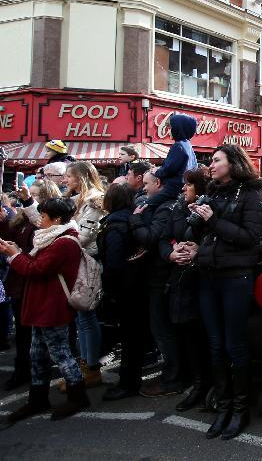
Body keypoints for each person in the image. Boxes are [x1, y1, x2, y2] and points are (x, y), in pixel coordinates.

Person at [183, 145, 262, 440]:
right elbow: (199, 234)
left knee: (235, 345)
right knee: (216, 345)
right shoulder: (213, 192)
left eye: (217, 160)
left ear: (233, 163)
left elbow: (250, 238)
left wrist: (213, 221)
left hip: (235, 278)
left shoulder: (251, 194)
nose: (212, 164)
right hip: (209, 276)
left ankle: (240, 410)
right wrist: (195, 221)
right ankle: (223, 406)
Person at [0, 198, 89, 425]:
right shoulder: (52, 237)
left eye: (44, 216)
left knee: (61, 353)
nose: (40, 219)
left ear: (57, 219)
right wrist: (16, 251)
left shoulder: (64, 242)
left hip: (52, 306)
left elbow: (36, 269)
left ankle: (78, 397)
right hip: (42, 305)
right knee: (37, 353)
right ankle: (38, 398)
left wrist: (14, 255)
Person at [159, 167, 212, 412]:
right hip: (179, 278)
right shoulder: (179, 207)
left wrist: (197, 251)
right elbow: (164, 237)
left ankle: (206, 384)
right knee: (187, 335)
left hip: (201, 279)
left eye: (188, 185)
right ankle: (196, 382)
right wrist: (171, 253)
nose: (183, 188)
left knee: (203, 337)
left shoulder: (208, 208)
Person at [0, 180, 61, 391]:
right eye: (28, 195)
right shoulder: (21, 218)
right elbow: (9, 236)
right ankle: (26, 371)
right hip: (19, 279)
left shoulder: (46, 223)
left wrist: (18, 254)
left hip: (33, 280)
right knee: (24, 332)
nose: (28, 198)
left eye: (35, 195)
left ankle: (36, 375)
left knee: (36, 334)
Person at [131, 170, 183, 398]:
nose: (144, 188)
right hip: (161, 274)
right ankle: (173, 374)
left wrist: (135, 221)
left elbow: (153, 238)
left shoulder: (165, 207)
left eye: (147, 183)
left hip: (161, 277)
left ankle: (173, 377)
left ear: (158, 183)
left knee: (163, 330)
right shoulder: (164, 205)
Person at [95, 184, 145, 401]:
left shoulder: (115, 225)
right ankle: (129, 380)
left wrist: (109, 290)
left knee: (129, 338)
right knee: (132, 337)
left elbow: (114, 264)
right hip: (135, 285)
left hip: (124, 289)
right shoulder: (130, 220)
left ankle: (128, 383)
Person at [63, 161, 106, 388]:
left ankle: (91, 368)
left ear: (80, 177)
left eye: (69, 176)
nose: (65, 180)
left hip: (88, 262)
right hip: (79, 260)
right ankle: (85, 364)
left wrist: (60, 240)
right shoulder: (80, 199)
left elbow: (87, 236)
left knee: (86, 317)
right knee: (82, 319)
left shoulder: (94, 199)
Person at [150, 114, 198, 208]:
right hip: (183, 187)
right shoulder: (188, 145)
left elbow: (169, 168)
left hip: (173, 188)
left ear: (178, 128)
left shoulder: (178, 146)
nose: (169, 131)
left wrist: (157, 171)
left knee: (146, 206)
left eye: (170, 128)